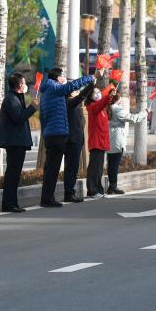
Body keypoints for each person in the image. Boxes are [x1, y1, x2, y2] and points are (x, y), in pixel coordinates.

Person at [38, 67, 95, 207]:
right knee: (53, 169)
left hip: (53, 134)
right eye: (63, 76)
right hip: (58, 135)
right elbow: (73, 88)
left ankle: (49, 198)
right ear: (58, 78)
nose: (65, 80)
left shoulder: (48, 93)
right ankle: (48, 198)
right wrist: (91, 78)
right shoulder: (56, 90)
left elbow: (42, 118)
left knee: (53, 169)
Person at [0, 72, 37, 213]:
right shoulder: (11, 99)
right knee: (12, 174)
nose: (26, 85)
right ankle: (9, 203)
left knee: (15, 174)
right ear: (19, 85)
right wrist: (32, 107)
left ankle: (12, 202)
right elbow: (18, 118)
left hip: (17, 141)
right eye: (24, 83)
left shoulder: (16, 98)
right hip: (14, 142)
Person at [63, 81, 95, 202]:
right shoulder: (69, 102)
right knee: (71, 168)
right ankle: (69, 193)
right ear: (71, 93)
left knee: (73, 168)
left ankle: (70, 192)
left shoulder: (72, 104)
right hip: (72, 141)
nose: (78, 92)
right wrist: (91, 85)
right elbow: (81, 96)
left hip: (76, 140)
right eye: (76, 90)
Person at [107, 91, 145, 193]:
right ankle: (113, 186)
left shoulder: (107, 108)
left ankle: (111, 186)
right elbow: (133, 118)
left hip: (109, 139)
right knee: (114, 165)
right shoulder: (117, 109)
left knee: (111, 164)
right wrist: (145, 112)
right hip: (116, 140)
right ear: (117, 99)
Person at [85, 82, 115, 197]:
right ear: (90, 96)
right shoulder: (92, 107)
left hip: (102, 142)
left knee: (99, 169)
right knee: (94, 168)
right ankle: (92, 190)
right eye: (94, 93)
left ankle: (98, 190)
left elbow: (103, 104)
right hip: (96, 142)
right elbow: (101, 103)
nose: (97, 94)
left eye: (99, 92)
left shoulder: (101, 108)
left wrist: (109, 97)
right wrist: (108, 96)